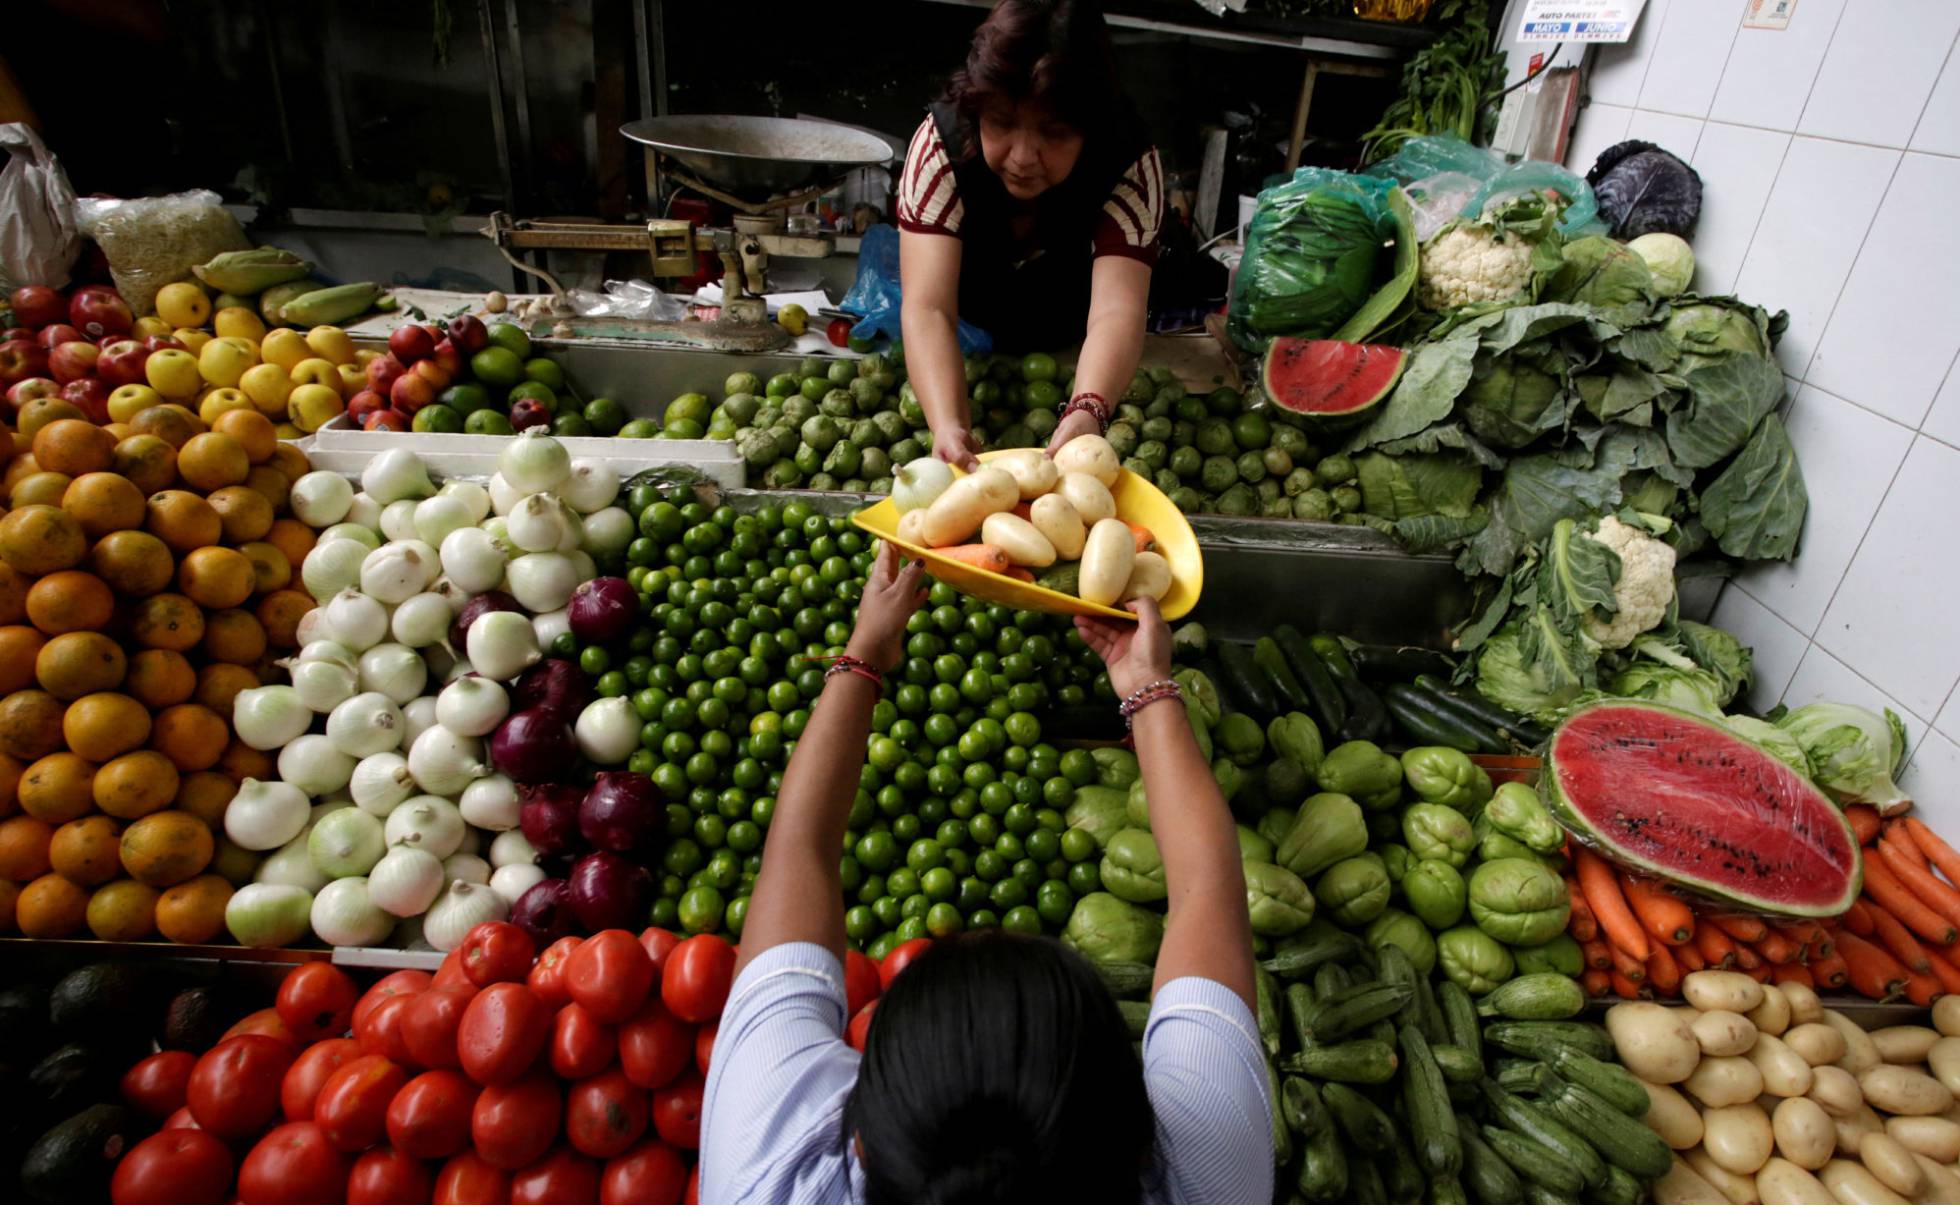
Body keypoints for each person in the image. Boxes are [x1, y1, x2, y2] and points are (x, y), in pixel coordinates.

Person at [699, 543, 1271, 1204]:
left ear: (856, 1139)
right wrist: (1147, 685)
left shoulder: (765, 1177)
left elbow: (795, 849)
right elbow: (1209, 886)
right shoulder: (1209, 1172)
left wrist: (864, 655)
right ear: (1144, 1139)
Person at [896, 0, 1164, 470]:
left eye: (1054, 133)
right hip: (966, 326)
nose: (1022, 156)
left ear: (1090, 128)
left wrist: (1089, 407)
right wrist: (946, 426)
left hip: (1072, 330)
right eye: (1000, 122)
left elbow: (1117, 309)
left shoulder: (1130, 161)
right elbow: (929, 307)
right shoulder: (938, 145)